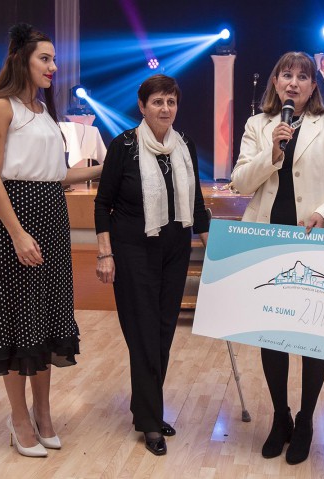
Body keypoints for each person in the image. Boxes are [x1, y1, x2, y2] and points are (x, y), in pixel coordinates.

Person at [231, 52, 324, 465]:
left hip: (314, 241)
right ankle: (281, 416)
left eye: (303, 76)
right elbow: (240, 183)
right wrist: (272, 152)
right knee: (271, 335)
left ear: (313, 86)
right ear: (275, 82)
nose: (293, 82)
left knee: (313, 337)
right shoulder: (258, 125)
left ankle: (306, 420)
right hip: (266, 240)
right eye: (286, 75)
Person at [0, 23, 102, 458]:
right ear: (21, 60)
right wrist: (17, 233)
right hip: (19, 223)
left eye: (53, 59)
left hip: (52, 220)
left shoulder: (43, 110)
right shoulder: (0, 107)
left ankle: (43, 412)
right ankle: (19, 419)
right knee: (17, 323)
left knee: (45, 321)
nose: (53, 66)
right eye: (44, 59)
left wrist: (105, 169)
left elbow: (56, 175)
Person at [94, 74, 210, 456]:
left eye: (171, 102)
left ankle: (149, 409)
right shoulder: (123, 146)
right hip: (132, 252)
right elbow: (103, 204)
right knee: (143, 335)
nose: (165, 108)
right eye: (157, 101)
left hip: (175, 250)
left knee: (162, 334)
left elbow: (195, 203)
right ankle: (149, 421)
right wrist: (105, 253)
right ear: (142, 106)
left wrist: (211, 248)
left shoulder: (186, 145)